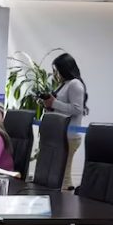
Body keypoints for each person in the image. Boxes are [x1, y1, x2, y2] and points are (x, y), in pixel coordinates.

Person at [42, 53, 88, 189]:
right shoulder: (64, 84)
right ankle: (65, 195)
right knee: (63, 175)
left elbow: (77, 109)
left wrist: (54, 103)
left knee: (63, 175)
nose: (55, 74)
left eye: (57, 70)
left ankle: (65, 198)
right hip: (61, 134)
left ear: (65, 69)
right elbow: (61, 108)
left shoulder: (75, 84)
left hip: (69, 136)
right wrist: (49, 105)